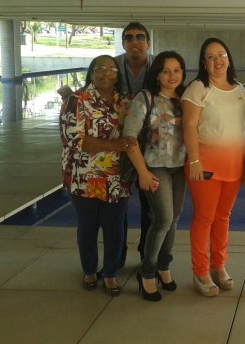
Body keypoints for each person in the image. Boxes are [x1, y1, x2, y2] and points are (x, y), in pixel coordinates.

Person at [60, 55, 134, 297]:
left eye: (111, 69)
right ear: (91, 72)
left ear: (117, 75)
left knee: (115, 229)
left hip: (116, 178)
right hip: (83, 175)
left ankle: (110, 273)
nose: (106, 73)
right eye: (100, 68)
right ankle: (89, 270)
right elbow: (75, 140)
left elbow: (134, 134)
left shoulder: (124, 102)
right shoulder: (76, 100)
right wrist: (116, 146)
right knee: (88, 227)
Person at [182, 38, 245, 297]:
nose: (217, 60)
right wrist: (195, 160)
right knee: (204, 217)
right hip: (205, 166)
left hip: (234, 164)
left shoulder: (240, 89)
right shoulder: (198, 88)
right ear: (204, 63)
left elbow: (244, 126)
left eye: (221, 54)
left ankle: (218, 265)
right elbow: (188, 126)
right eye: (210, 57)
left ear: (228, 58)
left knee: (223, 217)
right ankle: (200, 269)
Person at [123, 51, 187, 302]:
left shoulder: (184, 99)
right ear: (157, 74)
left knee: (174, 220)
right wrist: (142, 172)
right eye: (166, 71)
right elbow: (129, 138)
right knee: (162, 220)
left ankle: (163, 266)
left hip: (179, 166)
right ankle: (147, 273)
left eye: (177, 70)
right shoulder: (145, 98)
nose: (172, 76)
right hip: (154, 167)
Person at [115, 21, 154, 267]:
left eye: (140, 37)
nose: (134, 42)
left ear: (148, 43)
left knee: (150, 207)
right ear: (123, 44)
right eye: (129, 38)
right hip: (119, 143)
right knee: (117, 206)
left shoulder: (158, 66)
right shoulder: (112, 67)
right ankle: (117, 256)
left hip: (150, 145)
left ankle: (146, 254)